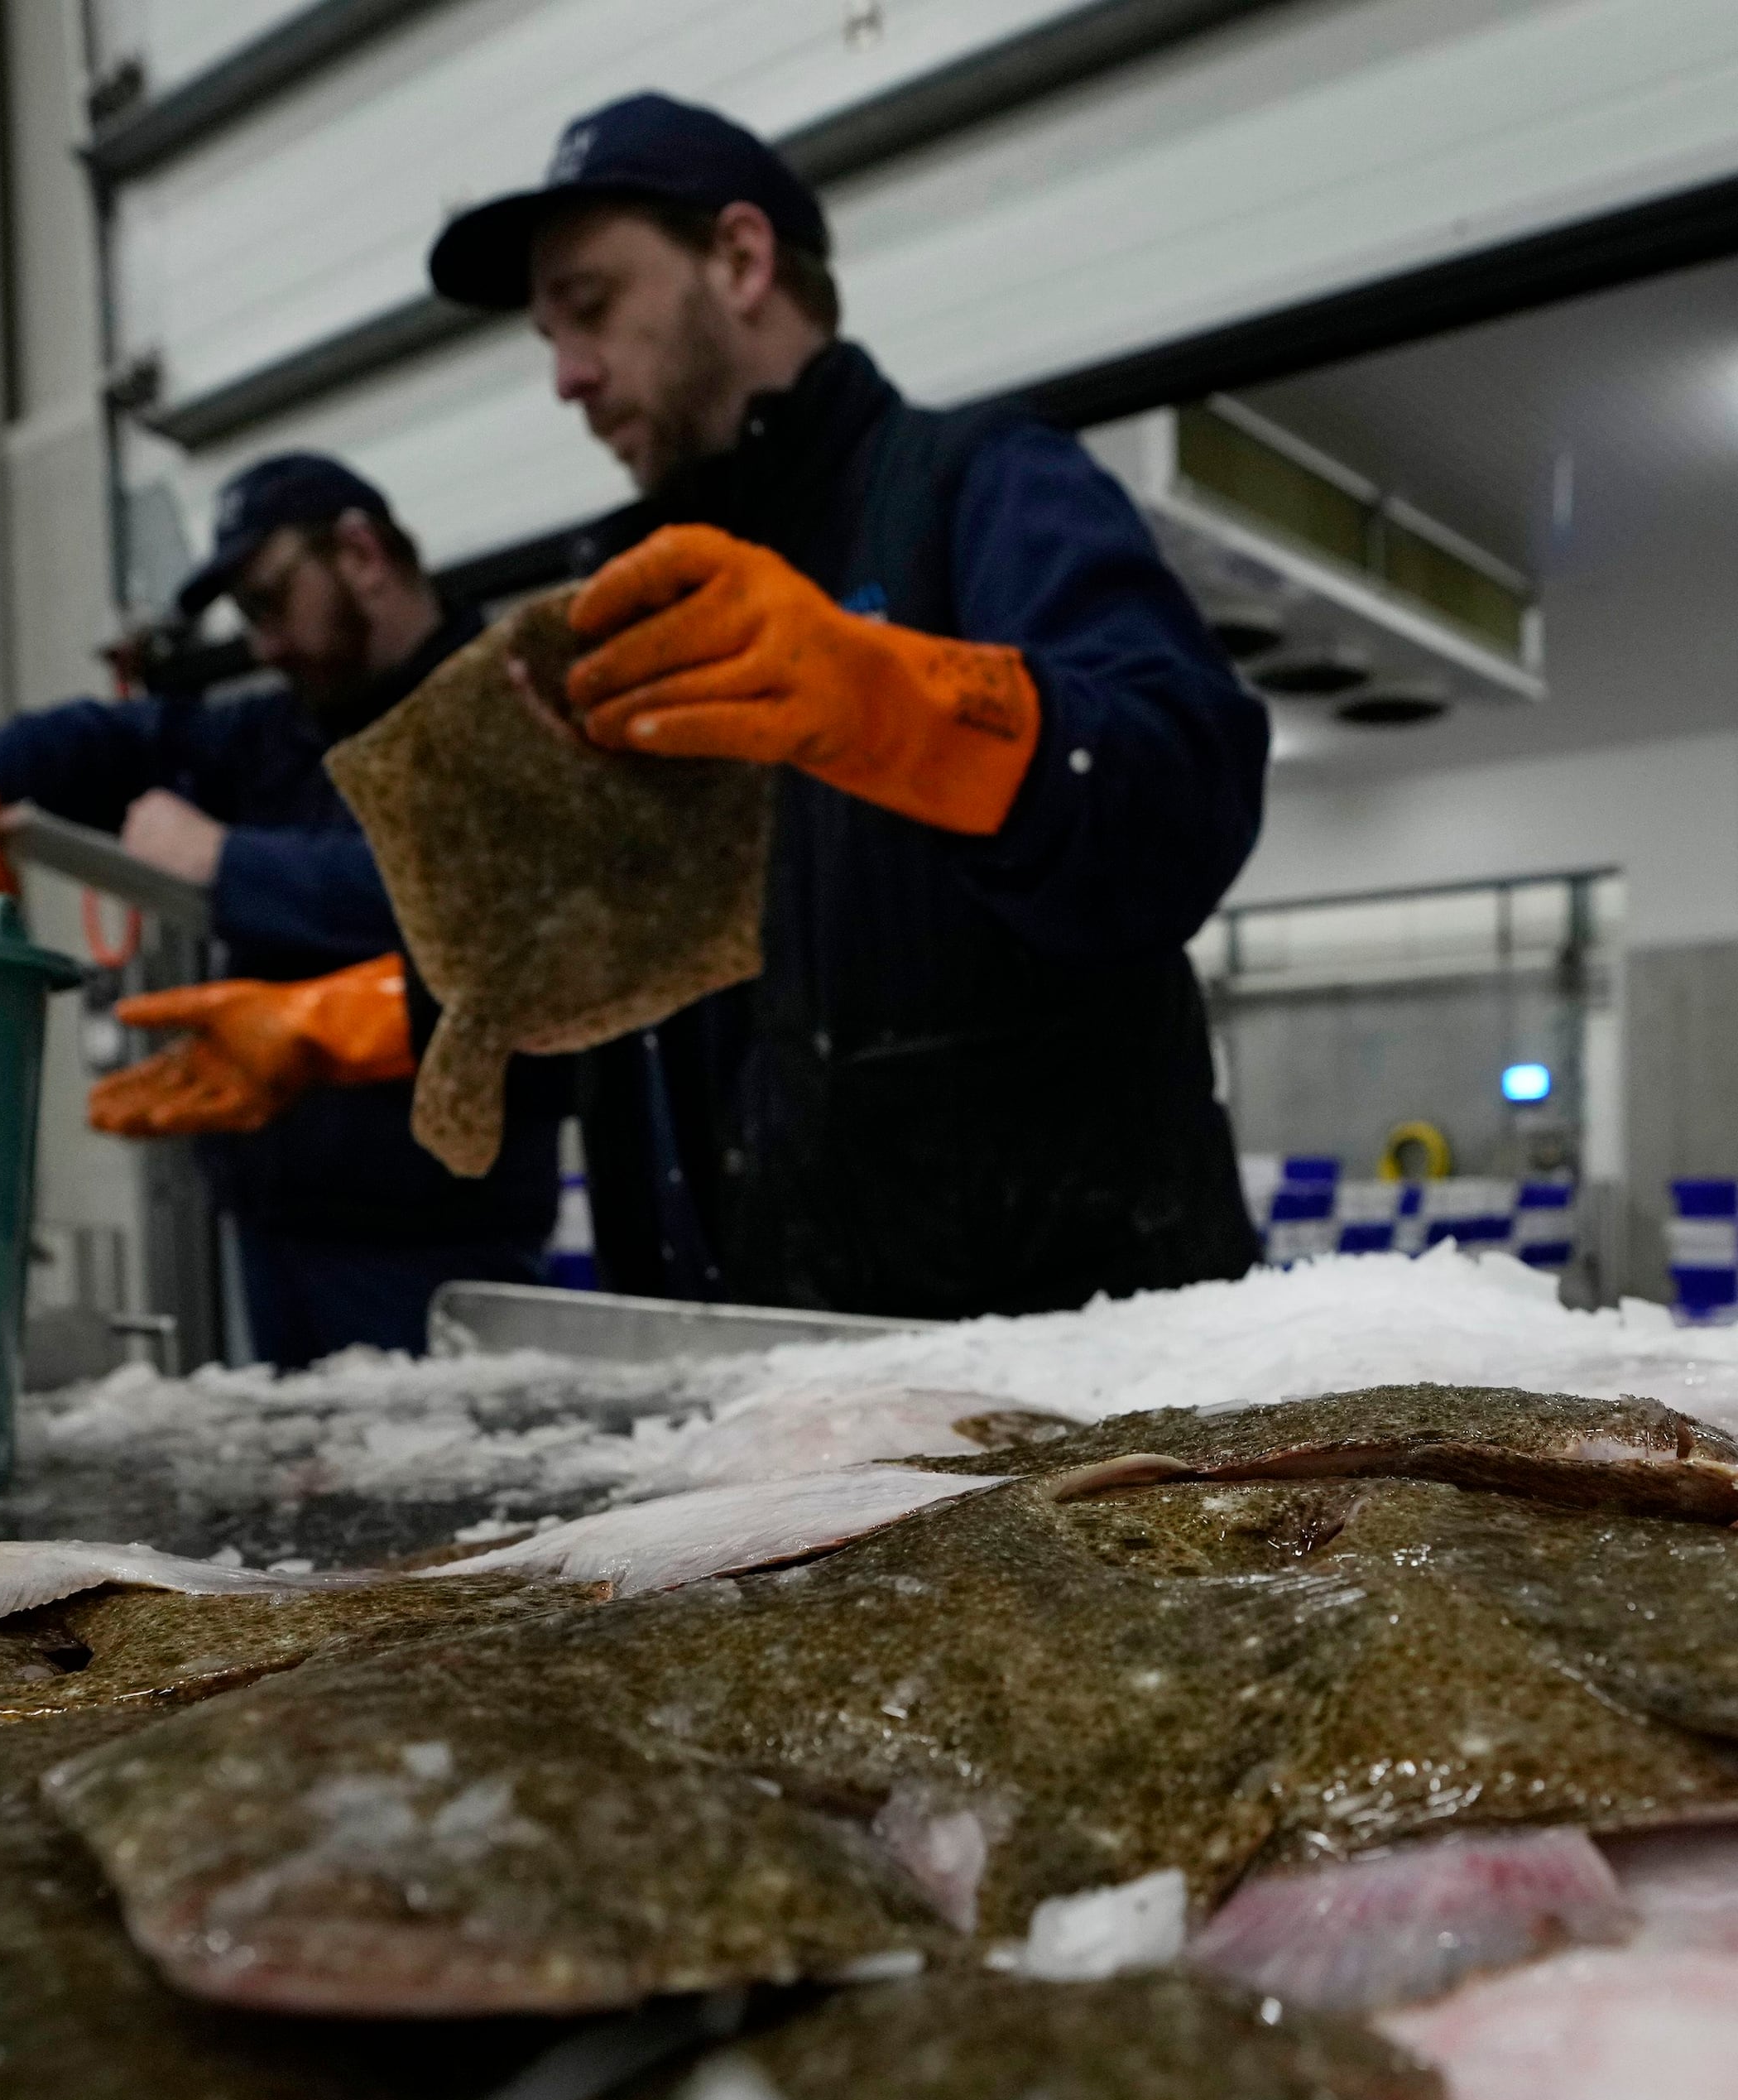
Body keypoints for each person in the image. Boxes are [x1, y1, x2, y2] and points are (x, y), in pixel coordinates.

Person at [424, 94, 1268, 1319]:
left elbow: (1182, 789)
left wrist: (890, 699)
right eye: (546, 336)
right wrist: (345, 1018)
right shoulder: (624, 607)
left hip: (1054, 1413)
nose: (565, 378)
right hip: (742, 1397)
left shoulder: (980, 483)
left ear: (742, 257)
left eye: (592, 307)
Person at [0, 455, 561, 1362]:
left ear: (362, 553)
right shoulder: (283, 730)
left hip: (433, 1248)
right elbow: (115, 739)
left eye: (268, 601)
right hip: (276, 1233)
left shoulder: (507, 710)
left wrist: (226, 861)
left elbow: (485, 909)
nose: (262, 644)